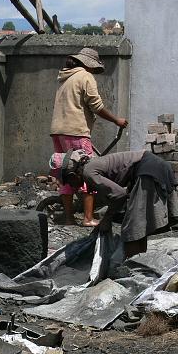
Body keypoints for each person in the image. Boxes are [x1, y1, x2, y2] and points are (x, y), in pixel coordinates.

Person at [50, 47, 128, 226]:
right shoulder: (85, 77)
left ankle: (69, 218)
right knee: (88, 172)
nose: (94, 71)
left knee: (67, 174)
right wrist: (117, 120)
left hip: (58, 131)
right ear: (88, 64)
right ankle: (88, 218)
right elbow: (97, 106)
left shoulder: (65, 77)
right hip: (76, 131)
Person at [56, 149, 178, 259]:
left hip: (148, 171)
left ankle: (130, 267)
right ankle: (138, 262)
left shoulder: (88, 173)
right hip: (153, 167)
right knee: (137, 226)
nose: (71, 186)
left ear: (72, 175)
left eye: (69, 182)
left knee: (131, 229)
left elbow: (120, 195)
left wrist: (106, 219)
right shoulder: (91, 167)